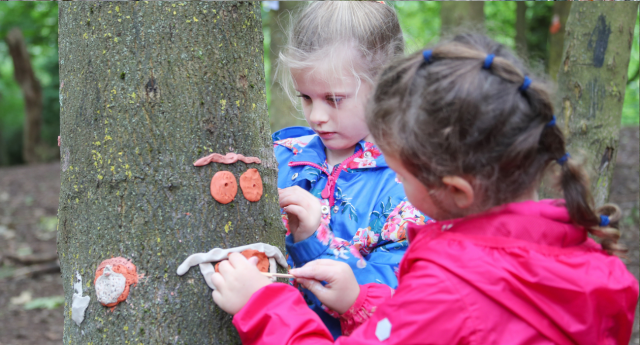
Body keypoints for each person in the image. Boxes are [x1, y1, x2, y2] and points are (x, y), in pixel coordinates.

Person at [210, 33, 639, 344]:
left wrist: (263, 307)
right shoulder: (587, 263)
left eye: (402, 174)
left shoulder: (449, 290)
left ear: (454, 191)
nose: (395, 181)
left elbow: (444, 318)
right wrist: (360, 302)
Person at [269, 1, 429, 338]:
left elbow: (399, 302)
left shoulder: (408, 186)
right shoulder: (281, 158)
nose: (316, 117)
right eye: (306, 98)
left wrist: (315, 241)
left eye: (334, 99)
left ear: (385, 87)